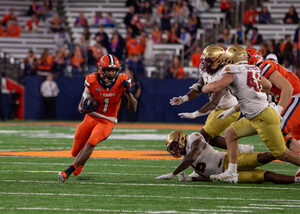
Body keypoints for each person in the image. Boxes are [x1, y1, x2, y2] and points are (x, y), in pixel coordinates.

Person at [199, 45, 300, 183]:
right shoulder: (252, 71)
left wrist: (201, 87)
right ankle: (232, 173)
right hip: (258, 115)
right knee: (230, 133)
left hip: (265, 115)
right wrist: (232, 110)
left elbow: (215, 87)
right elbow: (265, 87)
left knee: (282, 153)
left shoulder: (244, 70)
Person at [58, 54, 137, 183]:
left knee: (91, 143)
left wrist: (128, 93)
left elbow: (133, 108)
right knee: (75, 151)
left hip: (108, 120)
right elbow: (80, 105)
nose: (111, 73)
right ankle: (80, 163)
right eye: (108, 70)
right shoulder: (91, 80)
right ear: (101, 70)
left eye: (113, 70)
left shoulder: (123, 81)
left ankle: (68, 171)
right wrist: (83, 109)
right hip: (91, 117)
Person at [170, 45, 252, 153]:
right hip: (218, 108)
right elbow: (198, 88)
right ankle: (243, 149)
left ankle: (201, 165)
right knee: (211, 139)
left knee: (202, 137)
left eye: (209, 61)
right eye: (204, 60)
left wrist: (194, 114)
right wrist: (183, 99)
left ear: (218, 60)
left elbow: (214, 102)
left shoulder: (225, 74)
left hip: (228, 109)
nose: (205, 64)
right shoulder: (205, 70)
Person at [155, 131, 300, 184]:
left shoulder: (194, 139)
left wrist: (173, 173)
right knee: (266, 176)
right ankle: (297, 180)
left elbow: (192, 155)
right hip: (223, 175)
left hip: (228, 160)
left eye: (174, 146)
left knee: (261, 158)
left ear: (181, 139)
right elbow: (208, 176)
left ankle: (285, 150)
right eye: (172, 149)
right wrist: (191, 178)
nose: (174, 150)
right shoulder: (187, 162)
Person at [247, 48, 300, 152]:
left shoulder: (263, 67)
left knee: (278, 128)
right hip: (292, 97)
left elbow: (288, 88)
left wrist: (278, 112)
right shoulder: (257, 74)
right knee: (292, 138)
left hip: (295, 96)